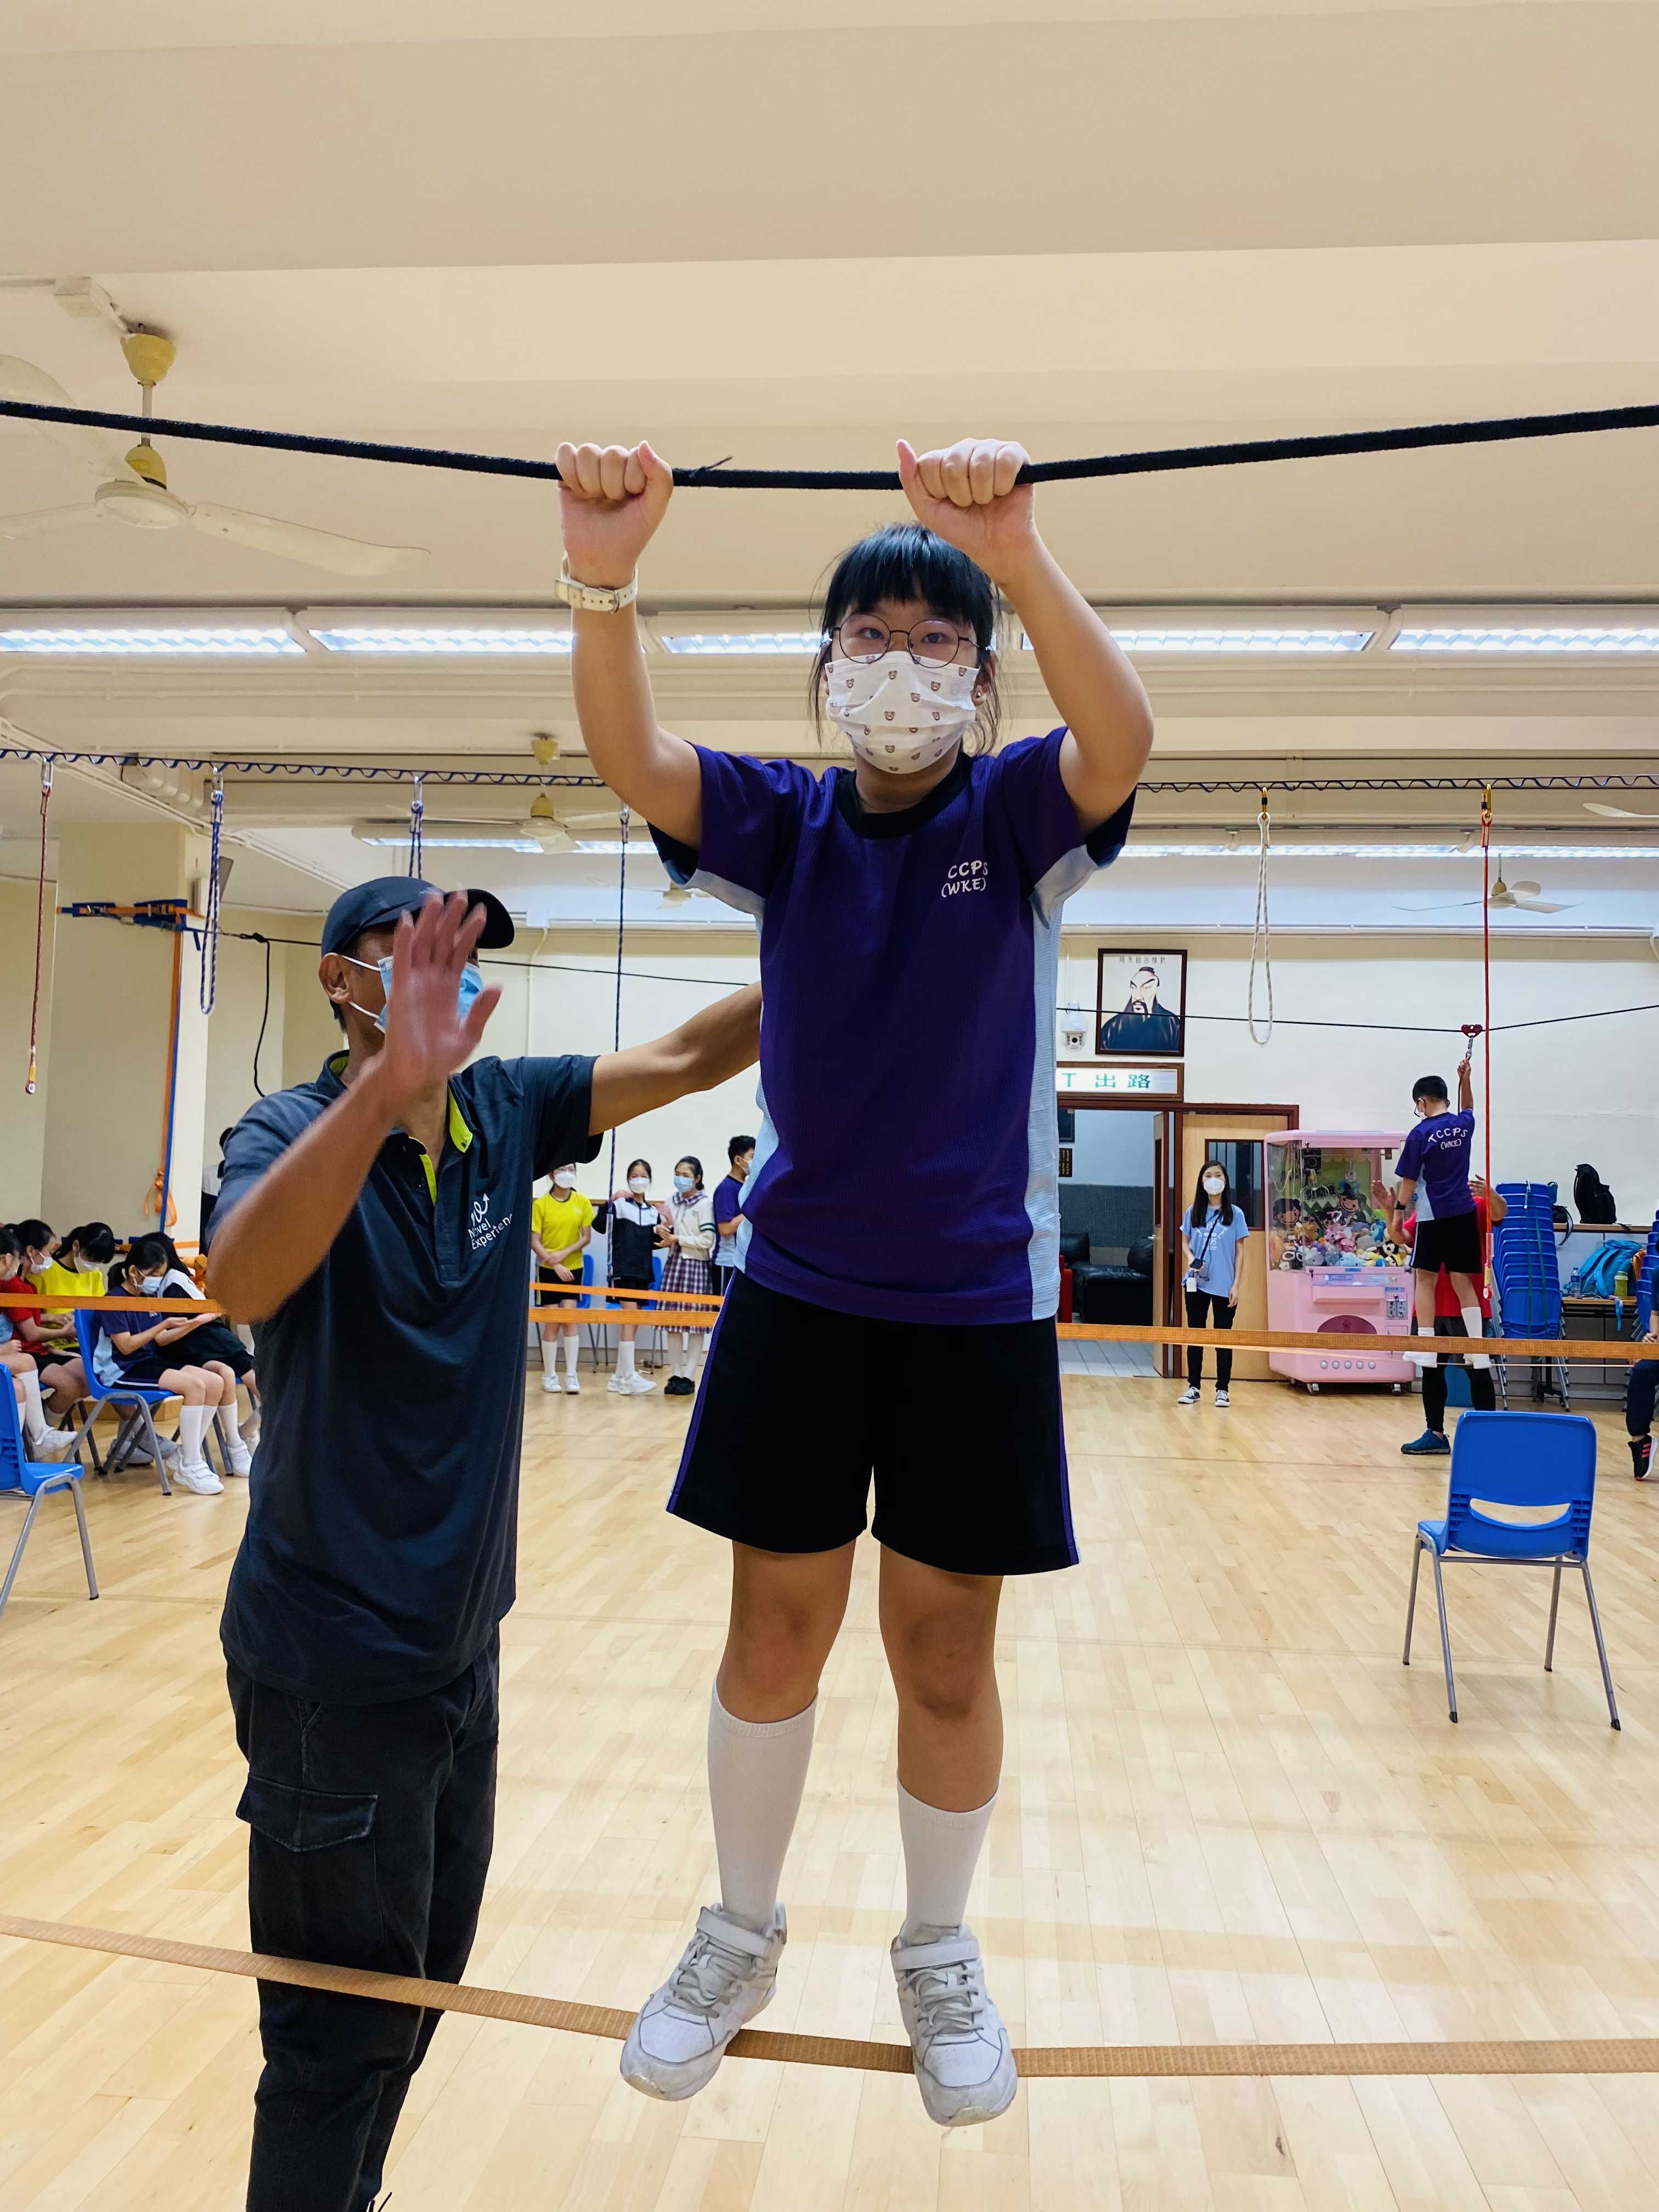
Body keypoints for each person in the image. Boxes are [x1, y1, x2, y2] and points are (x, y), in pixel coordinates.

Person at [558, 431, 1150, 2125]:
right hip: (800, 1293)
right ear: (828, 667)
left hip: (975, 1305)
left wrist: (1017, 555)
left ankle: (939, 1950)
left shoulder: (1016, 813)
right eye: (873, 635)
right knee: (774, 1633)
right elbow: (632, 753)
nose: (903, 663)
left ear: (981, 675)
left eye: (938, 638)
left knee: (946, 1656)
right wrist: (604, 577)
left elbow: (1124, 739)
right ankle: (737, 1934)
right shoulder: (790, 820)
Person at [205, 877, 759, 2211]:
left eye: (462, 960)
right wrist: (379, 1095)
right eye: (412, 956)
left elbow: (691, 1054)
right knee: (333, 2042)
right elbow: (241, 1279)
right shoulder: (287, 1130)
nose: (445, 980)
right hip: (329, 1671)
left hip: (461, 1655)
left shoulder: (504, 1111)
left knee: (417, 1997)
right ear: (342, 982)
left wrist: (864, 925)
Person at [94, 1245, 246, 1494]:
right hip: (121, 1370)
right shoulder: (114, 1300)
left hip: (147, 1362)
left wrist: (195, 1322)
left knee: (215, 1382)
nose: (157, 1280)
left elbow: (161, 1339)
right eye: (154, 1275)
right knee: (194, 1386)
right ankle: (191, 1462)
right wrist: (162, 1324)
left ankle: (187, 1456)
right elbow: (126, 1346)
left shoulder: (148, 1298)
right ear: (133, 1272)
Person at [1375, 1175, 1506, 1454]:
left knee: (1477, 1371)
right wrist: (1389, 1210)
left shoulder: (1474, 1204)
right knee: (1432, 1372)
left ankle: (1488, 1434)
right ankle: (1435, 1433)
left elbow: (1499, 1213)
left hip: (1466, 1309)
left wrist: (1491, 1194)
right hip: (1429, 1309)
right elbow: (1401, 1237)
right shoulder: (1427, 1208)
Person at [1386, 1047, 1487, 1371]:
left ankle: (1427, 1348)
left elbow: (1409, 1180)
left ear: (1421, 1103)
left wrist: (1398, 1212)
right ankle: (1478, 1349)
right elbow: (1469, 1107)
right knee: (1463, 1281)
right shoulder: (1463, 1124)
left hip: (1433, 1215)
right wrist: (1466, 1079)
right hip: (1464, 1213)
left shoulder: (1419, 1134)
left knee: (1425, 1279)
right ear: (1446, 1098)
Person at [129, 1231, 262, 1460]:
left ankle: (244, 1434)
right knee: (234, 1378)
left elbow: (199, 1318)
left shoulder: (175, 1281)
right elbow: (167, 1334)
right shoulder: (166, 1286)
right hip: (202, 1348)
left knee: (267, 1390)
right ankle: (233, 1444)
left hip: (217, 1343)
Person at [1176, 1164, 1249, 1408]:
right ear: (1202, 1181)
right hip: (1196, 1284)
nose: (1213, 1179)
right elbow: (1184, 1242)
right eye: (1208, 1176)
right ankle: (1193, 1387)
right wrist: (1190, 1259)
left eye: (1218, 1175)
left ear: (1225, 1181)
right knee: (1195, 1335)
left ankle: (1223, 1390)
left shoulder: (1236, 1214)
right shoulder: (1193, 1211)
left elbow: (1240, 1252)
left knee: (1222, 1337)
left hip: (1225, 1285)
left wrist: (1236, 1285)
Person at [0, 1228, 77, 1454]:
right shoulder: (10, 1286)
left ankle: (24, 1450)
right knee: (25, 1364)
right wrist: (3, 1350)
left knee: (19, 1384)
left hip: (20, 1352)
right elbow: (31, 1333)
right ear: (9, 1259)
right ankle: (37, 1439)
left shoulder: (27, 1286)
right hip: (18, 1352)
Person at [531, 1165, 594, 1395]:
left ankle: (571, 1376)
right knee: (553, 1321)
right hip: (548, 1270)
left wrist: (564, 1256)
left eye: (570, 1169)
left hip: (573, 1268)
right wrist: (554, 1262)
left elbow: (586, 1237)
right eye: (561, 1169)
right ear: (552, 1174)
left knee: (569, 1319)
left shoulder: (582, 1202)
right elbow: (534, 1241)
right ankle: (549, 1376)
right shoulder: (541, 1205)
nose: (566, 1174)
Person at [607, 1159, 669, 1395]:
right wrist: (611, 1200)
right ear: (628, 1179)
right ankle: (627, 1376)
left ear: (650, 1180)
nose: (639, 1179)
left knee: (634, 1321)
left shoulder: (653, 1212)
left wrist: (665, 1226)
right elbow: (600, 1225)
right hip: (624, 1270)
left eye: (643, 1176)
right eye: (634, 1175)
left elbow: (655, 1243)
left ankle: (619, 1376)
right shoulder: (621, 1205)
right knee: (630, 1319)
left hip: (643, 1271)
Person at [659, 1155, 716, 1396]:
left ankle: (690, 1376)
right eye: (677, 1174)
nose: (680, 1179)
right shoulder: (670, 1201)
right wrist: (661, 1229)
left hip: (696, 1266)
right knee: (672, 1324)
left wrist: (678, 1239)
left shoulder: (704, 1204)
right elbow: (665, 1228)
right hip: (674, 1264)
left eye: (686, 1175)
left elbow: (708, 1240)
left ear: (697, 1178)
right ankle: (675, 1374)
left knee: (695, 1325)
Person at [1097, 963, 1181, 1055]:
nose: (1138, 996)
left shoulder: (1173, 1024)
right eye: (1134, 988)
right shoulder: (1112, 1027)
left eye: (1146, 988)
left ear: (1156, 990)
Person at [712, 1134, 755, 1297]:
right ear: (738, 1160)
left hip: (742, 1261)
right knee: (723, 1308)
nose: (757, 1161)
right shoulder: (726, 1189)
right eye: (753, 1157)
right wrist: (751, 1209)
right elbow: (726, 1229)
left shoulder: (746, 1187)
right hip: (727, 1261)